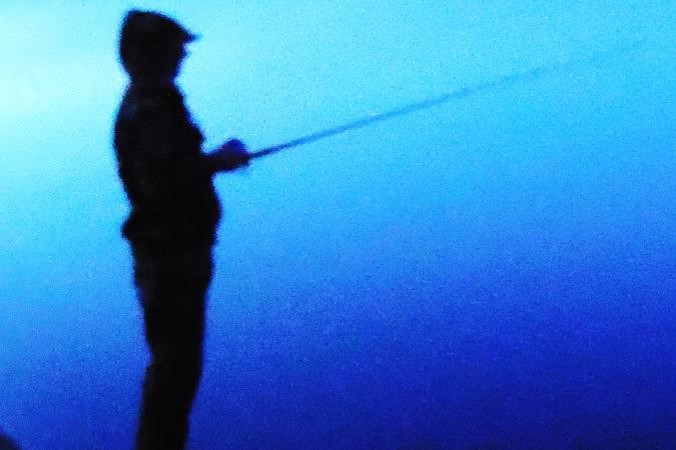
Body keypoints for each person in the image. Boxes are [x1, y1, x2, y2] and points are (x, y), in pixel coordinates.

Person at [113, 10, 250, 450]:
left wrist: (212, 163)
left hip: (176, 256)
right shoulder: (148, 109)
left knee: (178, 370)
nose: (182, 57)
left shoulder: (156, 103)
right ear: (144, 55)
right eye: (175, 50)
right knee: (174, 370)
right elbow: (164, 182)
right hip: (168, 261)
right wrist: (218, 162)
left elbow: (171, 170)